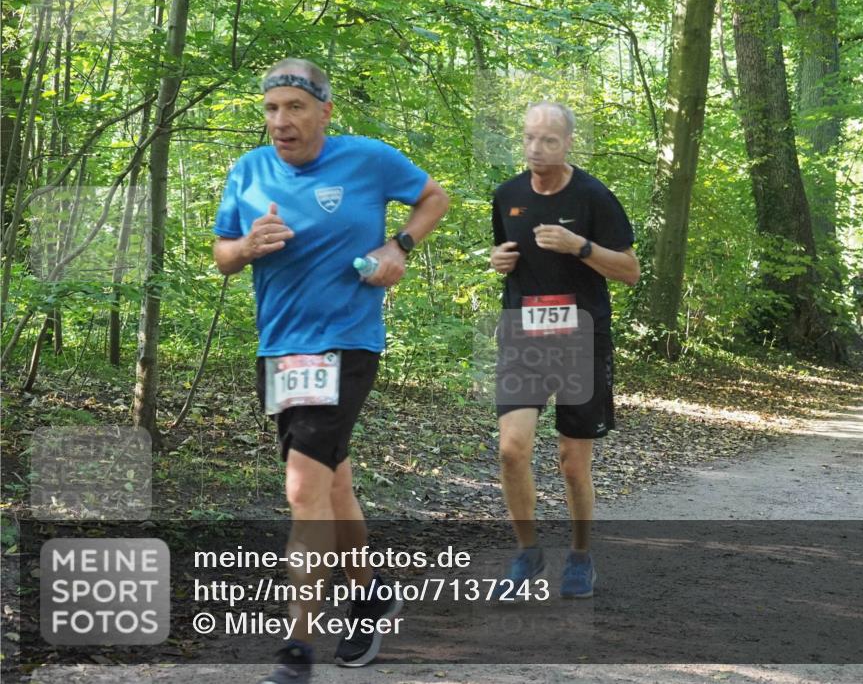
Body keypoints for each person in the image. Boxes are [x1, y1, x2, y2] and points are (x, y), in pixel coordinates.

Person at [212, 58, 448, 683]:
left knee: (302, 491)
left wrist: (399, 245)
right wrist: (246, 246)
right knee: (334, 485)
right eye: (271, 109)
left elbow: (434, 197)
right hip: (281, 350)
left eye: (294, 107)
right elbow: (223, 256)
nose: (280, 121)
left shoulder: (367, 159)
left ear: (324, 111)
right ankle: (369, 599)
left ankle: (297, 650)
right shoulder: (248, 171)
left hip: (347, 341)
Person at [489, 102, 639, 599]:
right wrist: (499, 261)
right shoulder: (507, 195)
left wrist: (580, 246)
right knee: (512, 450)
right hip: (522, 336)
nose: (536, 149)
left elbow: (630, 271)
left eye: (548, 141)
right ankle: (528, 551)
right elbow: (503, 255)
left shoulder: (594, 196)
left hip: (580, 338)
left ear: (568, 142)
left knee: (572, 463)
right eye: (529, 138)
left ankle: (580, 555)